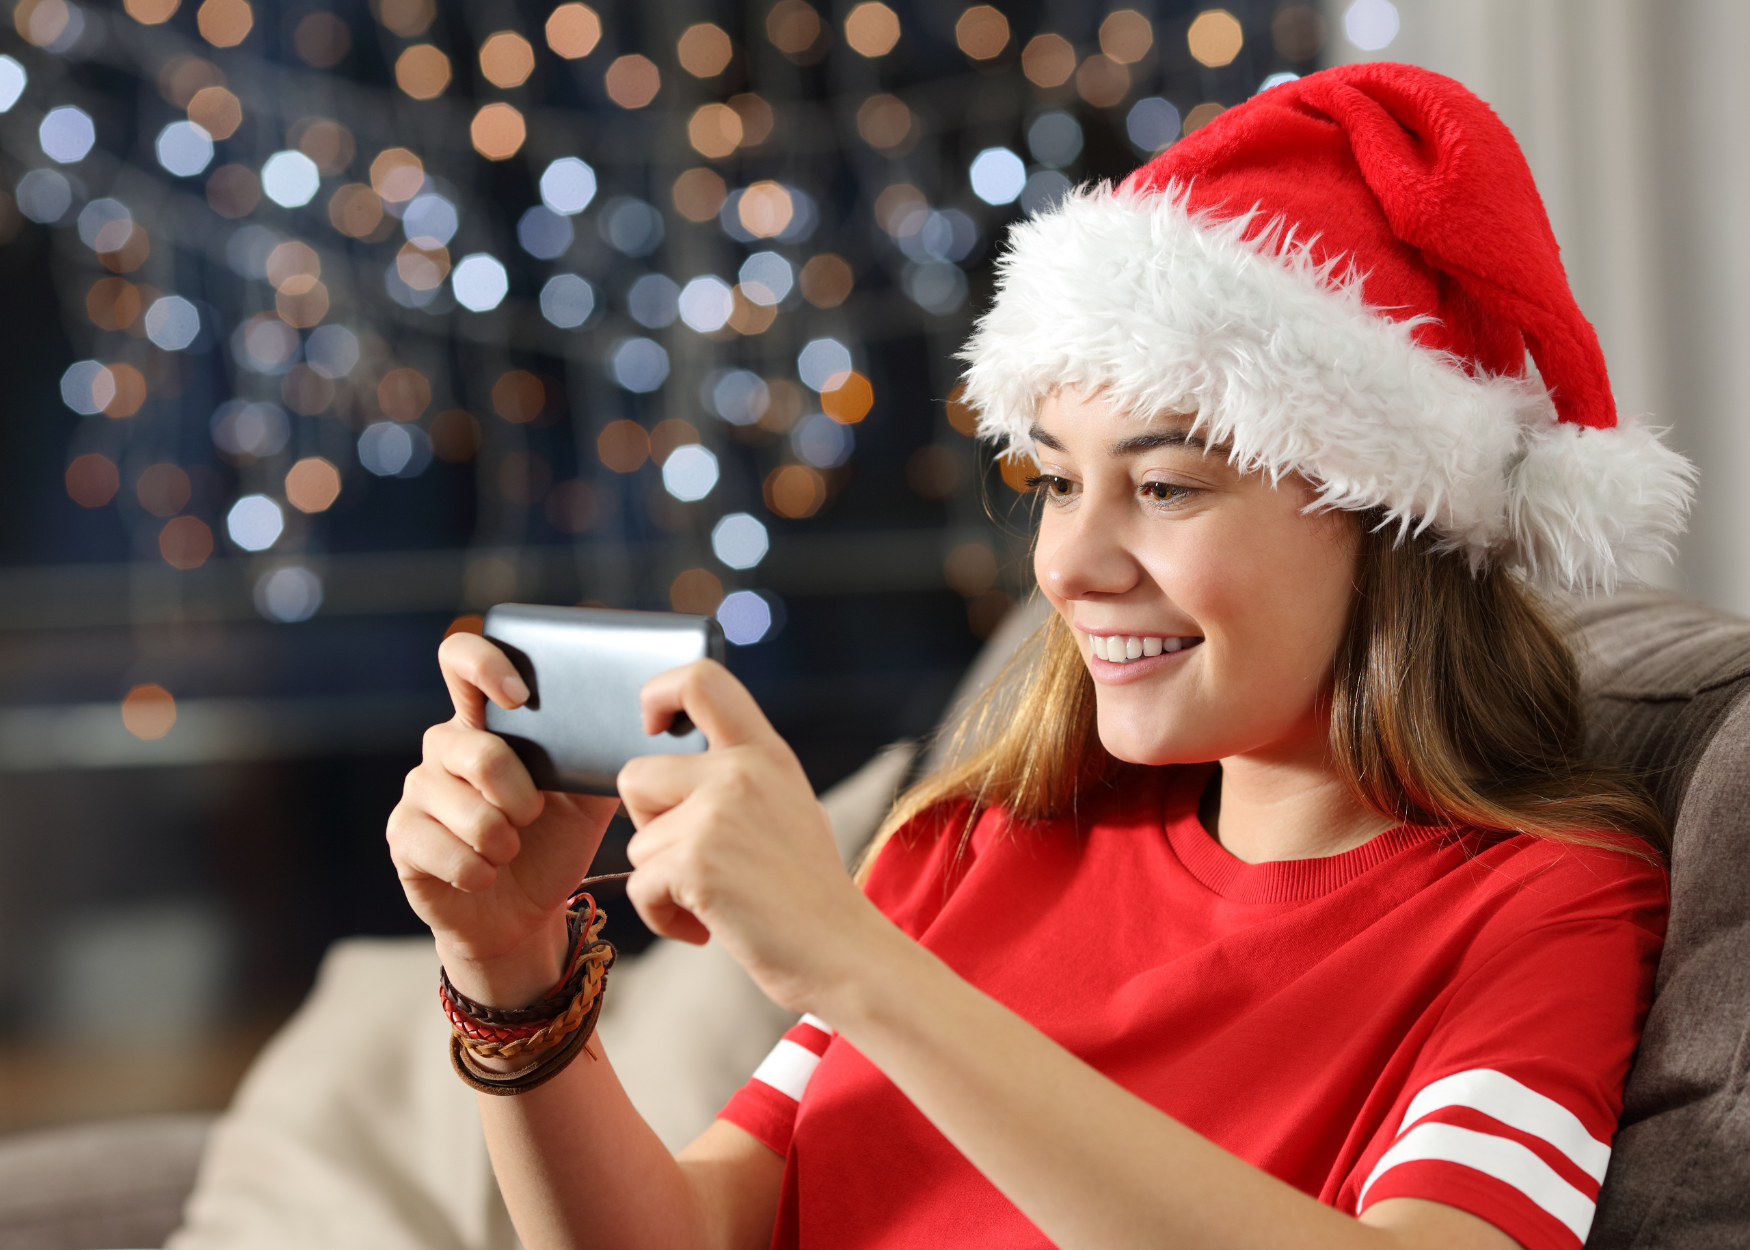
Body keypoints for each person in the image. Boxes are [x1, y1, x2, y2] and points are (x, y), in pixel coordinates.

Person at [387, 63, 1695, 1250]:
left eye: (1166, 488)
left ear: (1390, 518)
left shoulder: (1545, 906)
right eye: (1057, 483)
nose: (1068, 565)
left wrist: (857, 959)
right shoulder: (973, 846)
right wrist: (511, 970)